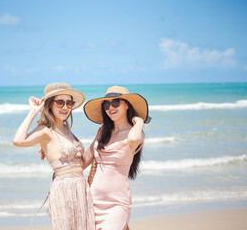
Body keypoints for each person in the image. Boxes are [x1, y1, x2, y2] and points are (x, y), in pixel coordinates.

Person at [13, 82, 95, 230]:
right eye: (60, 102)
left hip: (81, 188)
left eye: (69, 103)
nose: (65, 107)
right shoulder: (45, 130)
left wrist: (99, 139)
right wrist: (33, 111)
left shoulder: (67, 131)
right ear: (50, 104)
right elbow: (18, 141)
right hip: (63, 190)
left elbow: (80, 165)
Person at [82, 85, 150, 230]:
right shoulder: (102, 132)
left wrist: (139, 123)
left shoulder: (135, 133)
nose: (110, 107)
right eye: (106, 104)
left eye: (116, 102)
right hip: (92, 200)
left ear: (126, 105)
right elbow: (85, 159)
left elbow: (133, 140)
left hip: (117, 203)